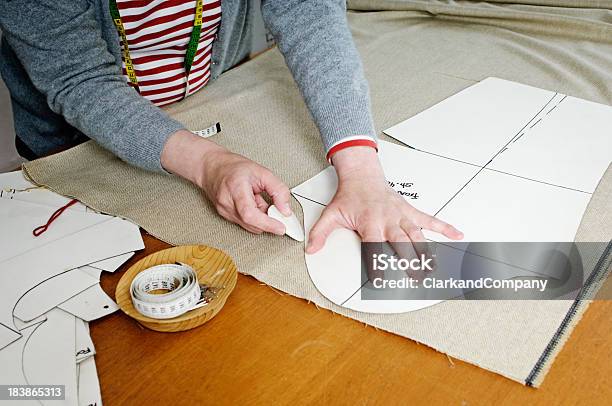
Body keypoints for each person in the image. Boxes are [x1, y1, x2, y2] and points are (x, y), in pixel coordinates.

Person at [0, 0, 463, 253]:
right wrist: (207, 165)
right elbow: (78, 77)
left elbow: (310, 15)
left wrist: (361, 172)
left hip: (205, 106)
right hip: (72, 145)